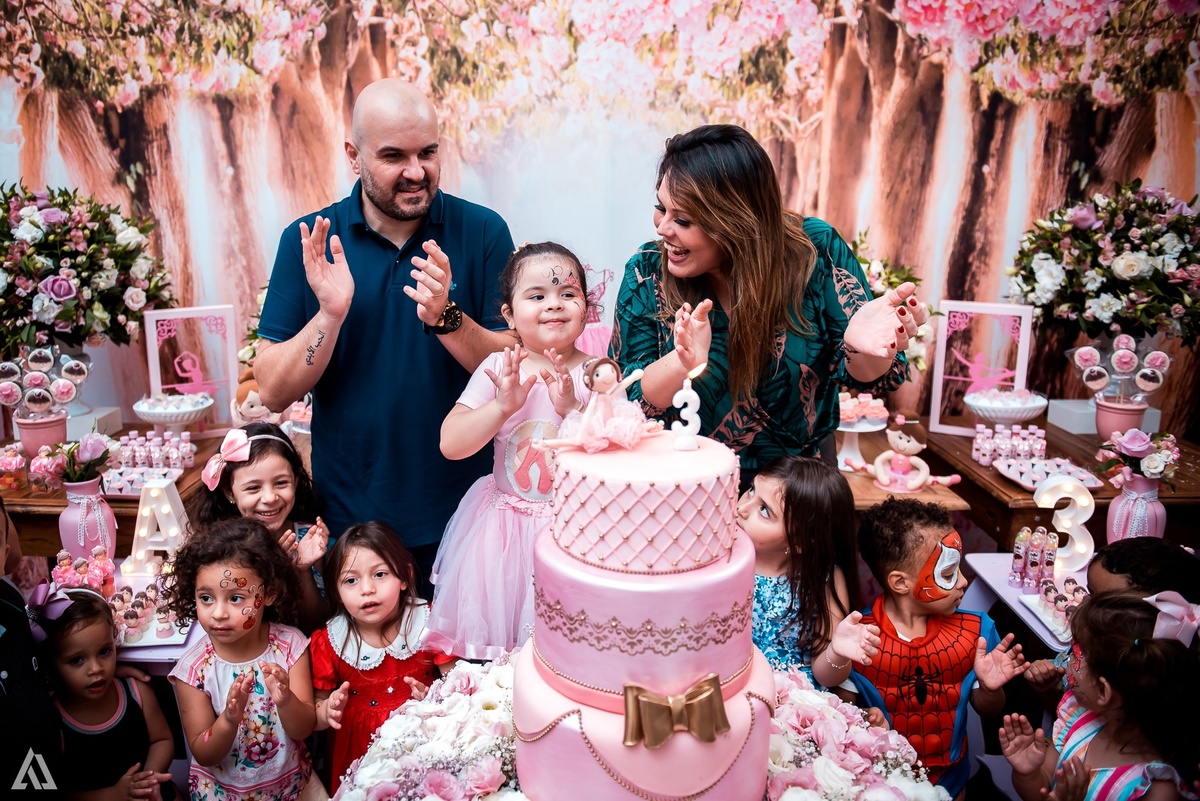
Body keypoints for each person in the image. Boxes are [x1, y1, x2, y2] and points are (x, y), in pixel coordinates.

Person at [253, 78, 517, 586]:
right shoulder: (310, 240)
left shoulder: (482, 231)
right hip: (354, 525)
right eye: (394, 156)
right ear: (354, 155)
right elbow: (272, 389)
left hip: (469, 512)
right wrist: (329, 316)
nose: (416, 172)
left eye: (429, 153)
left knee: (465, 667)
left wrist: (447, 317)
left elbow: (515, 361)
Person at [611, 124, 925, 485]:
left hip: (794, 492)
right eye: (660, 208)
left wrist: (861, 347)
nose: (663, 229)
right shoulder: (646, 272)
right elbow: (627, 403)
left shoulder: (815, 252)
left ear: (736, 219)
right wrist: (682, 363)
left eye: (682, 219)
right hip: (679, 489)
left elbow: (865, 372)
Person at [423, 242, 595, 660]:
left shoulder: (597, 372)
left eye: (567, 294)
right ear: (508, 314)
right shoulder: (499, 369)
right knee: (502, 654)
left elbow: (613, 451)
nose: (554, 304)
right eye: (537, 296)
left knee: (567, 652)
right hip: (503, 535)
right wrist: (502, 407)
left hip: (574, 533)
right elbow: (451, 443)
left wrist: (574, 409)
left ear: (586, 307)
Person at [851, 497, 1028, 799]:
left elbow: (989, 709)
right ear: (900, 583)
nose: (962, 582)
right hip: (879, 779)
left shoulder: (978, 633)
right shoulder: (857, 638)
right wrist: (865, 718)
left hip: (953, 775)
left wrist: (989, 688)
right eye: (948, 573)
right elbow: (845, 715)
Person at [163, 518, 318, 801]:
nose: (218, 613)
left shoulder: (290, 647)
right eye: (206, 598)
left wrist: (285, 700)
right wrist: (229, 720)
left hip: (290, 789)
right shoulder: (194, 669)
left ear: (268, 594)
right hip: (224, 795)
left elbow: (304, 728)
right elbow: (204, 753)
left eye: (235, 598)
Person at [1000, 591, 1200, 800]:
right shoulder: (1079, 721)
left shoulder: (1155, 790)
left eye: (1076, 655)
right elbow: (1040, 789)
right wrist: (1028, 772)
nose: (1067, 662)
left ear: (1104, 691)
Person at [310, 522, 454, 793]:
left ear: (404, 577)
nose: (367, 589)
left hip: (422, 739)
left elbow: (458, 684)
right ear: (336, 592)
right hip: (358, 751)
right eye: (351, 580)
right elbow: (316, 712)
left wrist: (435, 698)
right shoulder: (329, 642)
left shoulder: (426, 621)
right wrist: (328, 710)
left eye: (379, 574)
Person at [1023, 538, 1200, 733]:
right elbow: (1065, 704)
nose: (1088, 607)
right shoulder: (1088, 644)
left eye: (1106, 603)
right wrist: (1049, 689)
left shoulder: (1157, 685)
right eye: (1091, 593)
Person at [737, 455, 881, 689]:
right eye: (751, 490)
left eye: (764, 510)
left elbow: (827, 677)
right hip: (734, 687)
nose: (742, 508)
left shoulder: (823, 577)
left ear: (800, 542)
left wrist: (836, 653)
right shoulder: (721, 556)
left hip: (792, 696)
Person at [34, 586, 176, 800]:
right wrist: (114, 795)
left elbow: (162, 740)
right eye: (77, 660)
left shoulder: (138, 693)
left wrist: (148, 781)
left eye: (104, 652)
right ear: (50, 663)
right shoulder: (50, 722)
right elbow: (55, 791)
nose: (96, 669)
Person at [190, 422, 330, 633]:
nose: (270, 497)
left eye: (281, 483)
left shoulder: (310, 539)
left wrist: (300, 571)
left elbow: (317, 625)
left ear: (296, 479)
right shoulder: (218, 548)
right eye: (254, 487)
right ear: (229, 492)